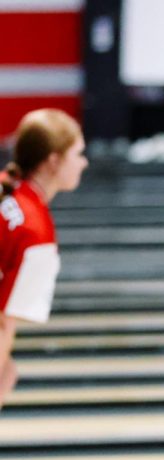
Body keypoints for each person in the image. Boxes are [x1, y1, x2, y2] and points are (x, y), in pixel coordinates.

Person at [0, 108, 88, 410]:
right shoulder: (35, 232)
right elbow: (3, 323)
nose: (84, 163)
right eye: (78, 154)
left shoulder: (5, 188)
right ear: (53, 160)